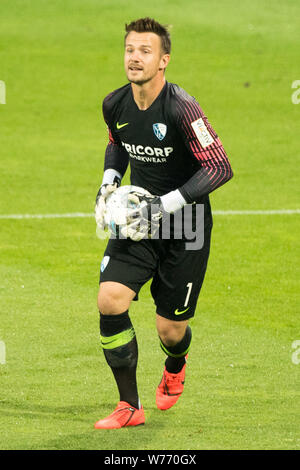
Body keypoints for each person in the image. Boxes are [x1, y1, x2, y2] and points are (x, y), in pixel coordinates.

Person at [94, 17, 233, 429]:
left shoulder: (180, 106)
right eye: (129, 50)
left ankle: (176, 362)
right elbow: (117, 143)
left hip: (186, 224)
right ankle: (129, 406)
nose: (135, 58)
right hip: (138, 219)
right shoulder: (114, 103)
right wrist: (108, 183)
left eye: (145, 51)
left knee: (171, 329)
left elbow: (220, 167)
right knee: (110, 299)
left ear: (164, 60)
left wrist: (166, 205)